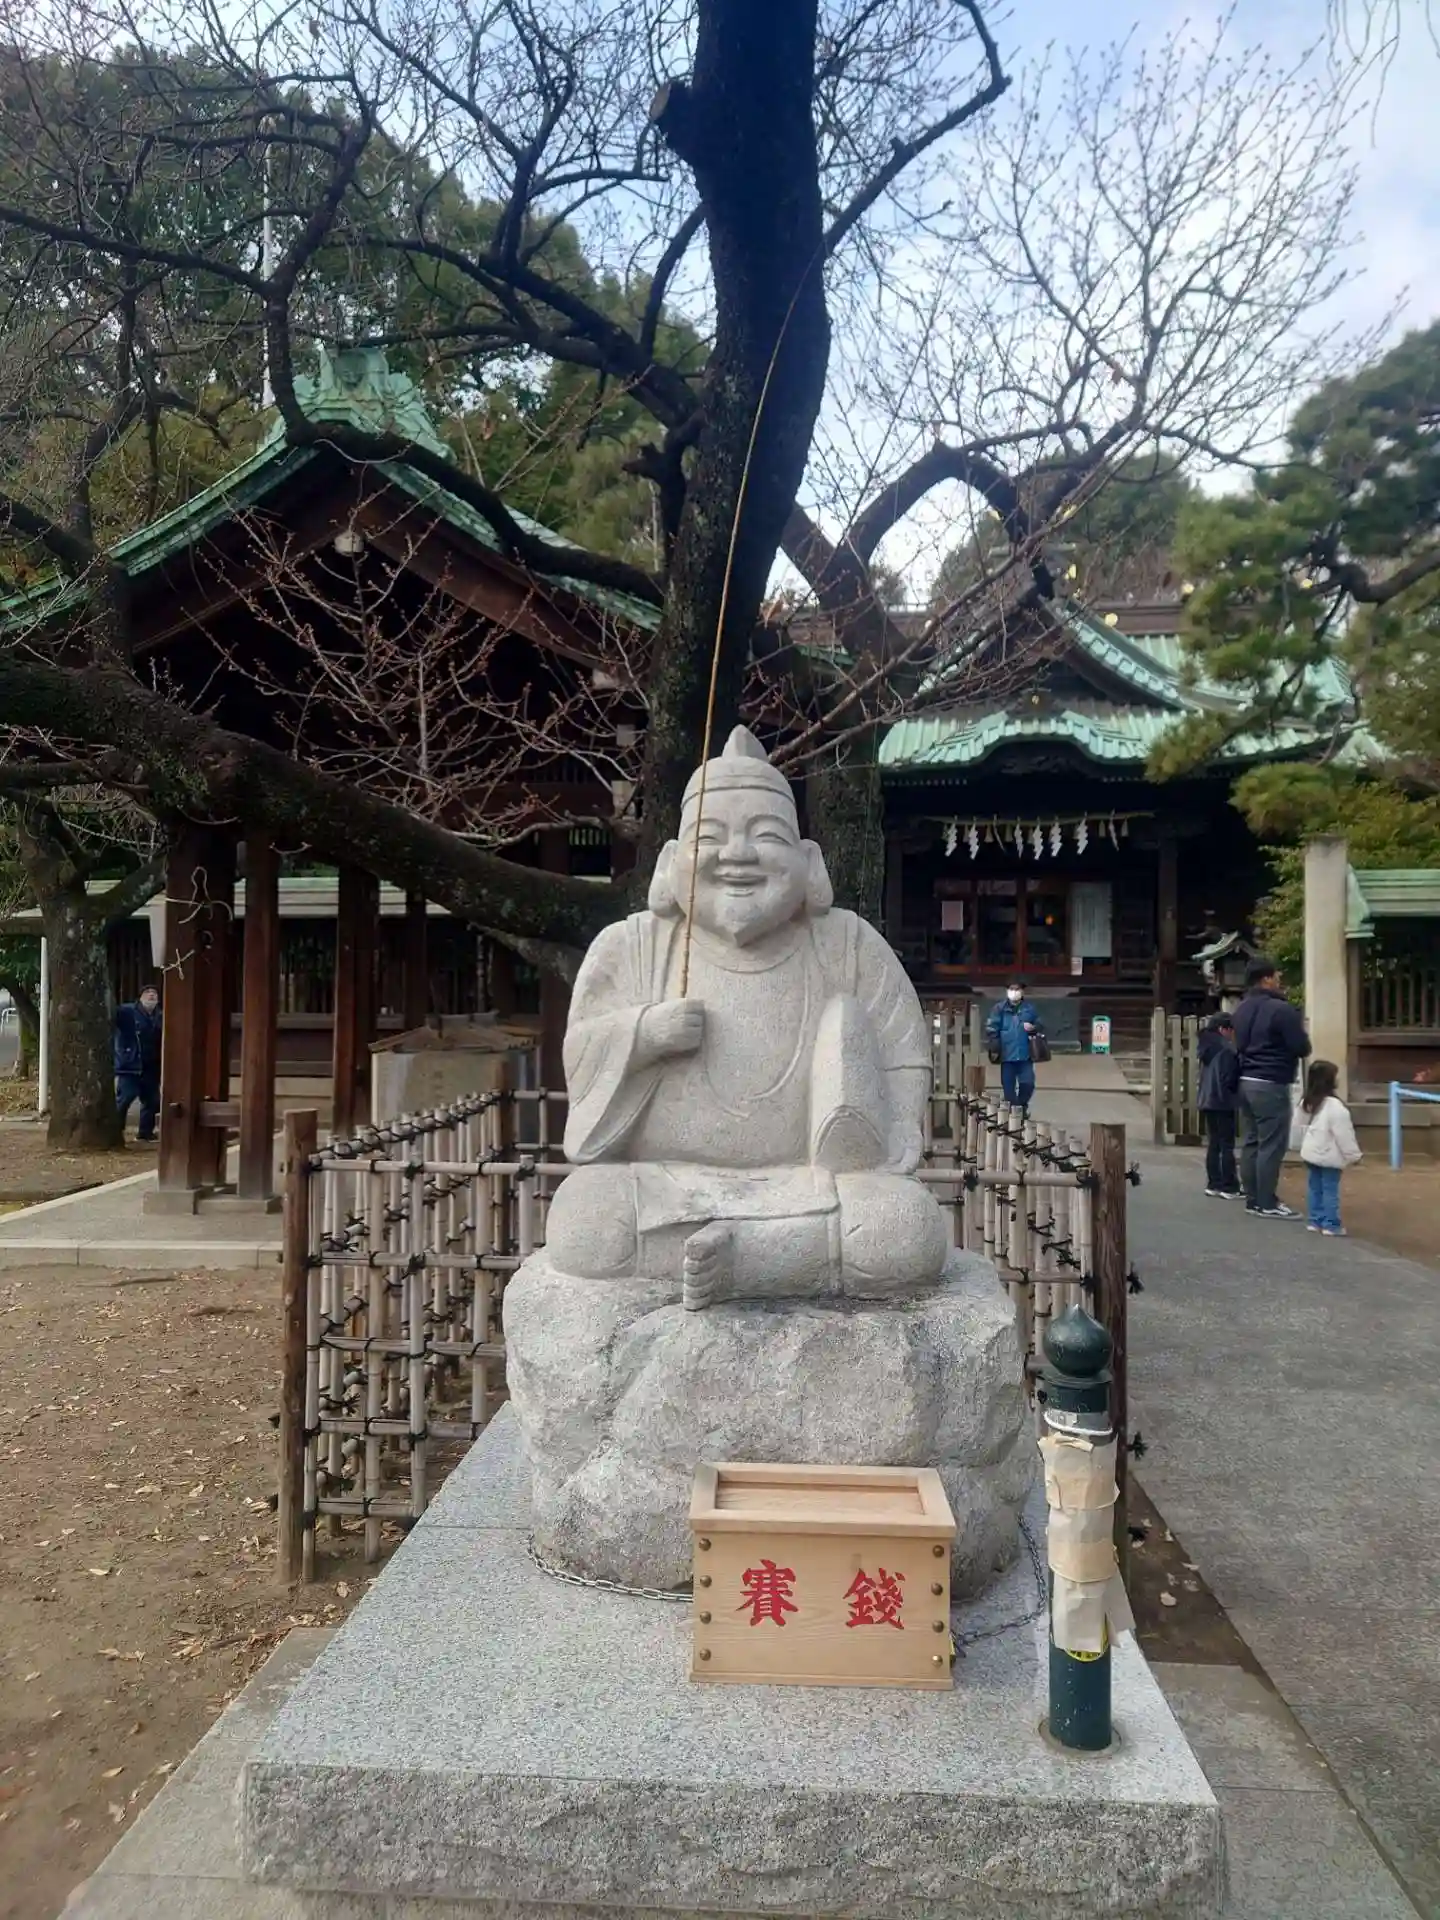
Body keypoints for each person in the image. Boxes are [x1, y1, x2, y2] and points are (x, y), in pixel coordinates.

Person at [1232, 957, 1311, 1219]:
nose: (1279, 980)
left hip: (1245, 1079)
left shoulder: (1241, 1008)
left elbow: (1239, 1044)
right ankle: (1267, 1201)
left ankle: (1253, 1198)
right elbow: (1301, 1047)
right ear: (1266, 979)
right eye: (1276, 975)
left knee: (1251, 1141)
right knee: (1271, 1144)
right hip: (1271, 1081)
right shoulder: (1281, 1009)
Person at [1295, 1060, 1361, 1236]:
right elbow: (1344, 1135)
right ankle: (1331, 1224)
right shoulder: (1336, 1107)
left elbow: (1298, 1125)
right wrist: (1354, 1156)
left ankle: (1315, 1220)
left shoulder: (1306, 1102)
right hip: (1330, 1155)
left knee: (1314, 1188)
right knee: (1330, 1190)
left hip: (1311, 1152)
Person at [1197, 1012, 1241, 1198]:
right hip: (1223, 1100)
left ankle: (1213, 1183)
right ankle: (1228, 1185)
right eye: (1231, 1029)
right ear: (1223, 1029)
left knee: (1213, 1143)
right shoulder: (1226, 1049)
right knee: (1226, 1145)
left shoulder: (1206, 1047)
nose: (1232, 1034)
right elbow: (1229, 1078)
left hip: (1207, 1099)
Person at [114, 984, 162, 1143]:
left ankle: (145, 1133)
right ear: (140, 997)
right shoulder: (127, 1012)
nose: (151, 995)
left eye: (154, 993)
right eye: (147, 992)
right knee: (125, 1098)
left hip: (151, 1065)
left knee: (152, 1100)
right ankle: (116, 1130)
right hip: (131, 1064)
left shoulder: (160, 1016)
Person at [986, 980, 1040, 1116]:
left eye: (1017, 989)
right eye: (1012, 989)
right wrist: (995, 1044)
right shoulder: (999, 1008)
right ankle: (1015, 1113)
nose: (1014, 992)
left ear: (1022, 992)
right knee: (1008, 1089)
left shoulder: (1029, 1009)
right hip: (1007, 1055)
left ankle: (1020, 1107)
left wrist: (1034, 1027)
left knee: (1028, 1084)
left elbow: (1040, 1023)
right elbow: (992, 1027)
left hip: (1025, 1054)